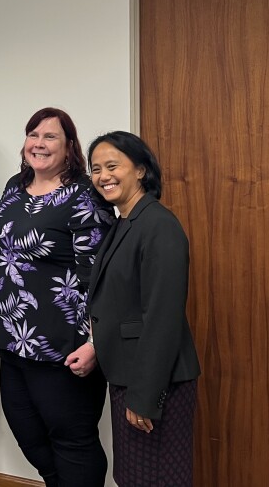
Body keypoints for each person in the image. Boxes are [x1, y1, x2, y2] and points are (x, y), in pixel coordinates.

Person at [0, 107, 114, 487]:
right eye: (33, 135)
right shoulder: (13, 187)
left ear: (70, 146)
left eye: (50, 137)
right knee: (31, 438)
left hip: (64, 347)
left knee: (74, 443)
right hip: (12, 343)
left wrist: (95, 342)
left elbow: (100, 277)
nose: (39, 144)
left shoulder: (84, 195)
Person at [87, 131, 201, 487]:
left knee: (156, 478)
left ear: (140, 170)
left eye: (112, 165)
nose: (103, 175)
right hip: (129, 376)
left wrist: (144, 396)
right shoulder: (125, 221)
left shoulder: (158, 226)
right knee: (134, 476)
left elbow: (162, 318)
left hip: (153, 383)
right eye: (95, 169)